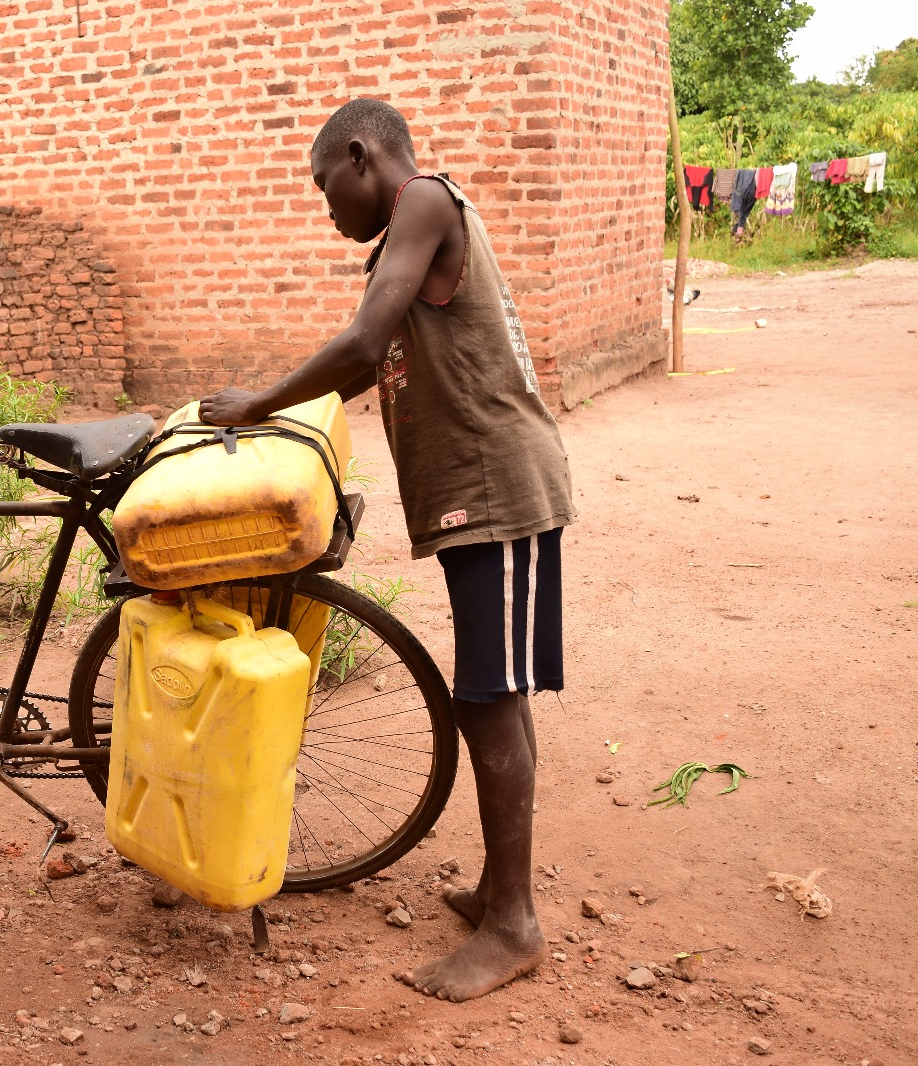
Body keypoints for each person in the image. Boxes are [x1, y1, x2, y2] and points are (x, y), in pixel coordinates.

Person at [198, 98, 576, 1002]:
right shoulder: (410, 231)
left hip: (498, 486)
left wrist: (258, 403)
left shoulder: (425, 201)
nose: (327, 208)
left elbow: (364, 338)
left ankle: (514, 924)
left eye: (325, 185)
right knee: (493, 693)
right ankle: (498, 892)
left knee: (489, 699)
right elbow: (372, 363)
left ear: (362, 157)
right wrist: (294, 422)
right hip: (476, 492)